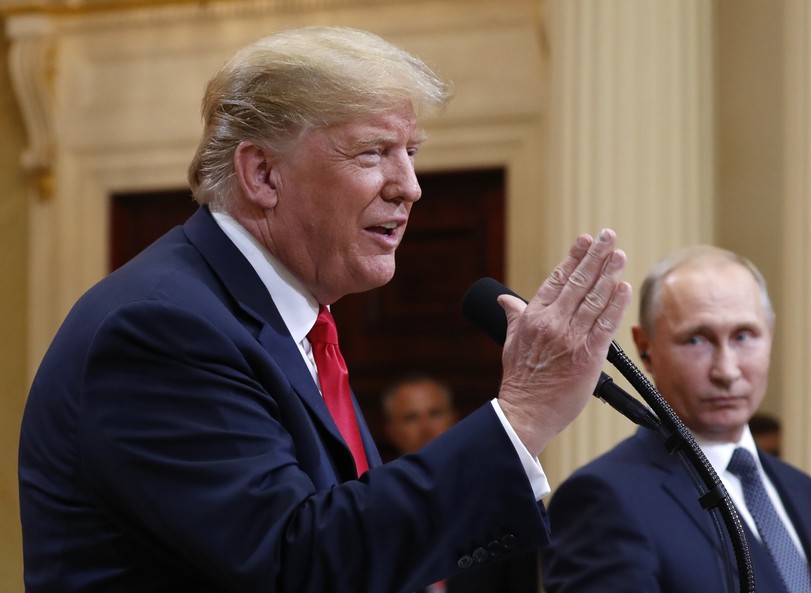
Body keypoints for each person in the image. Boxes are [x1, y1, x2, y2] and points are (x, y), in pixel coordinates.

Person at [18, 26, 633, 593]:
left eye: (410, 152)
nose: (410, 185)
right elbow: (299, 565)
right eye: (372, 154)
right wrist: (522, 416)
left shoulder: (291, 322)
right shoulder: (162, 328)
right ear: (262, 173)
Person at [541, 245, 811, 593]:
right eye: (696, 340)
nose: (727, 371)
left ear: (770, 334)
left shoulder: (799, 488)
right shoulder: (603, 499)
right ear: (645, 347)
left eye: (744, 336)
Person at [381, 374, 540, 593]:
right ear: (392, 431)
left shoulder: (503, 504)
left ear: (454, 419)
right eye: (411, 418)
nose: (426, 427)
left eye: (435, 413)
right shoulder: (376, 506)